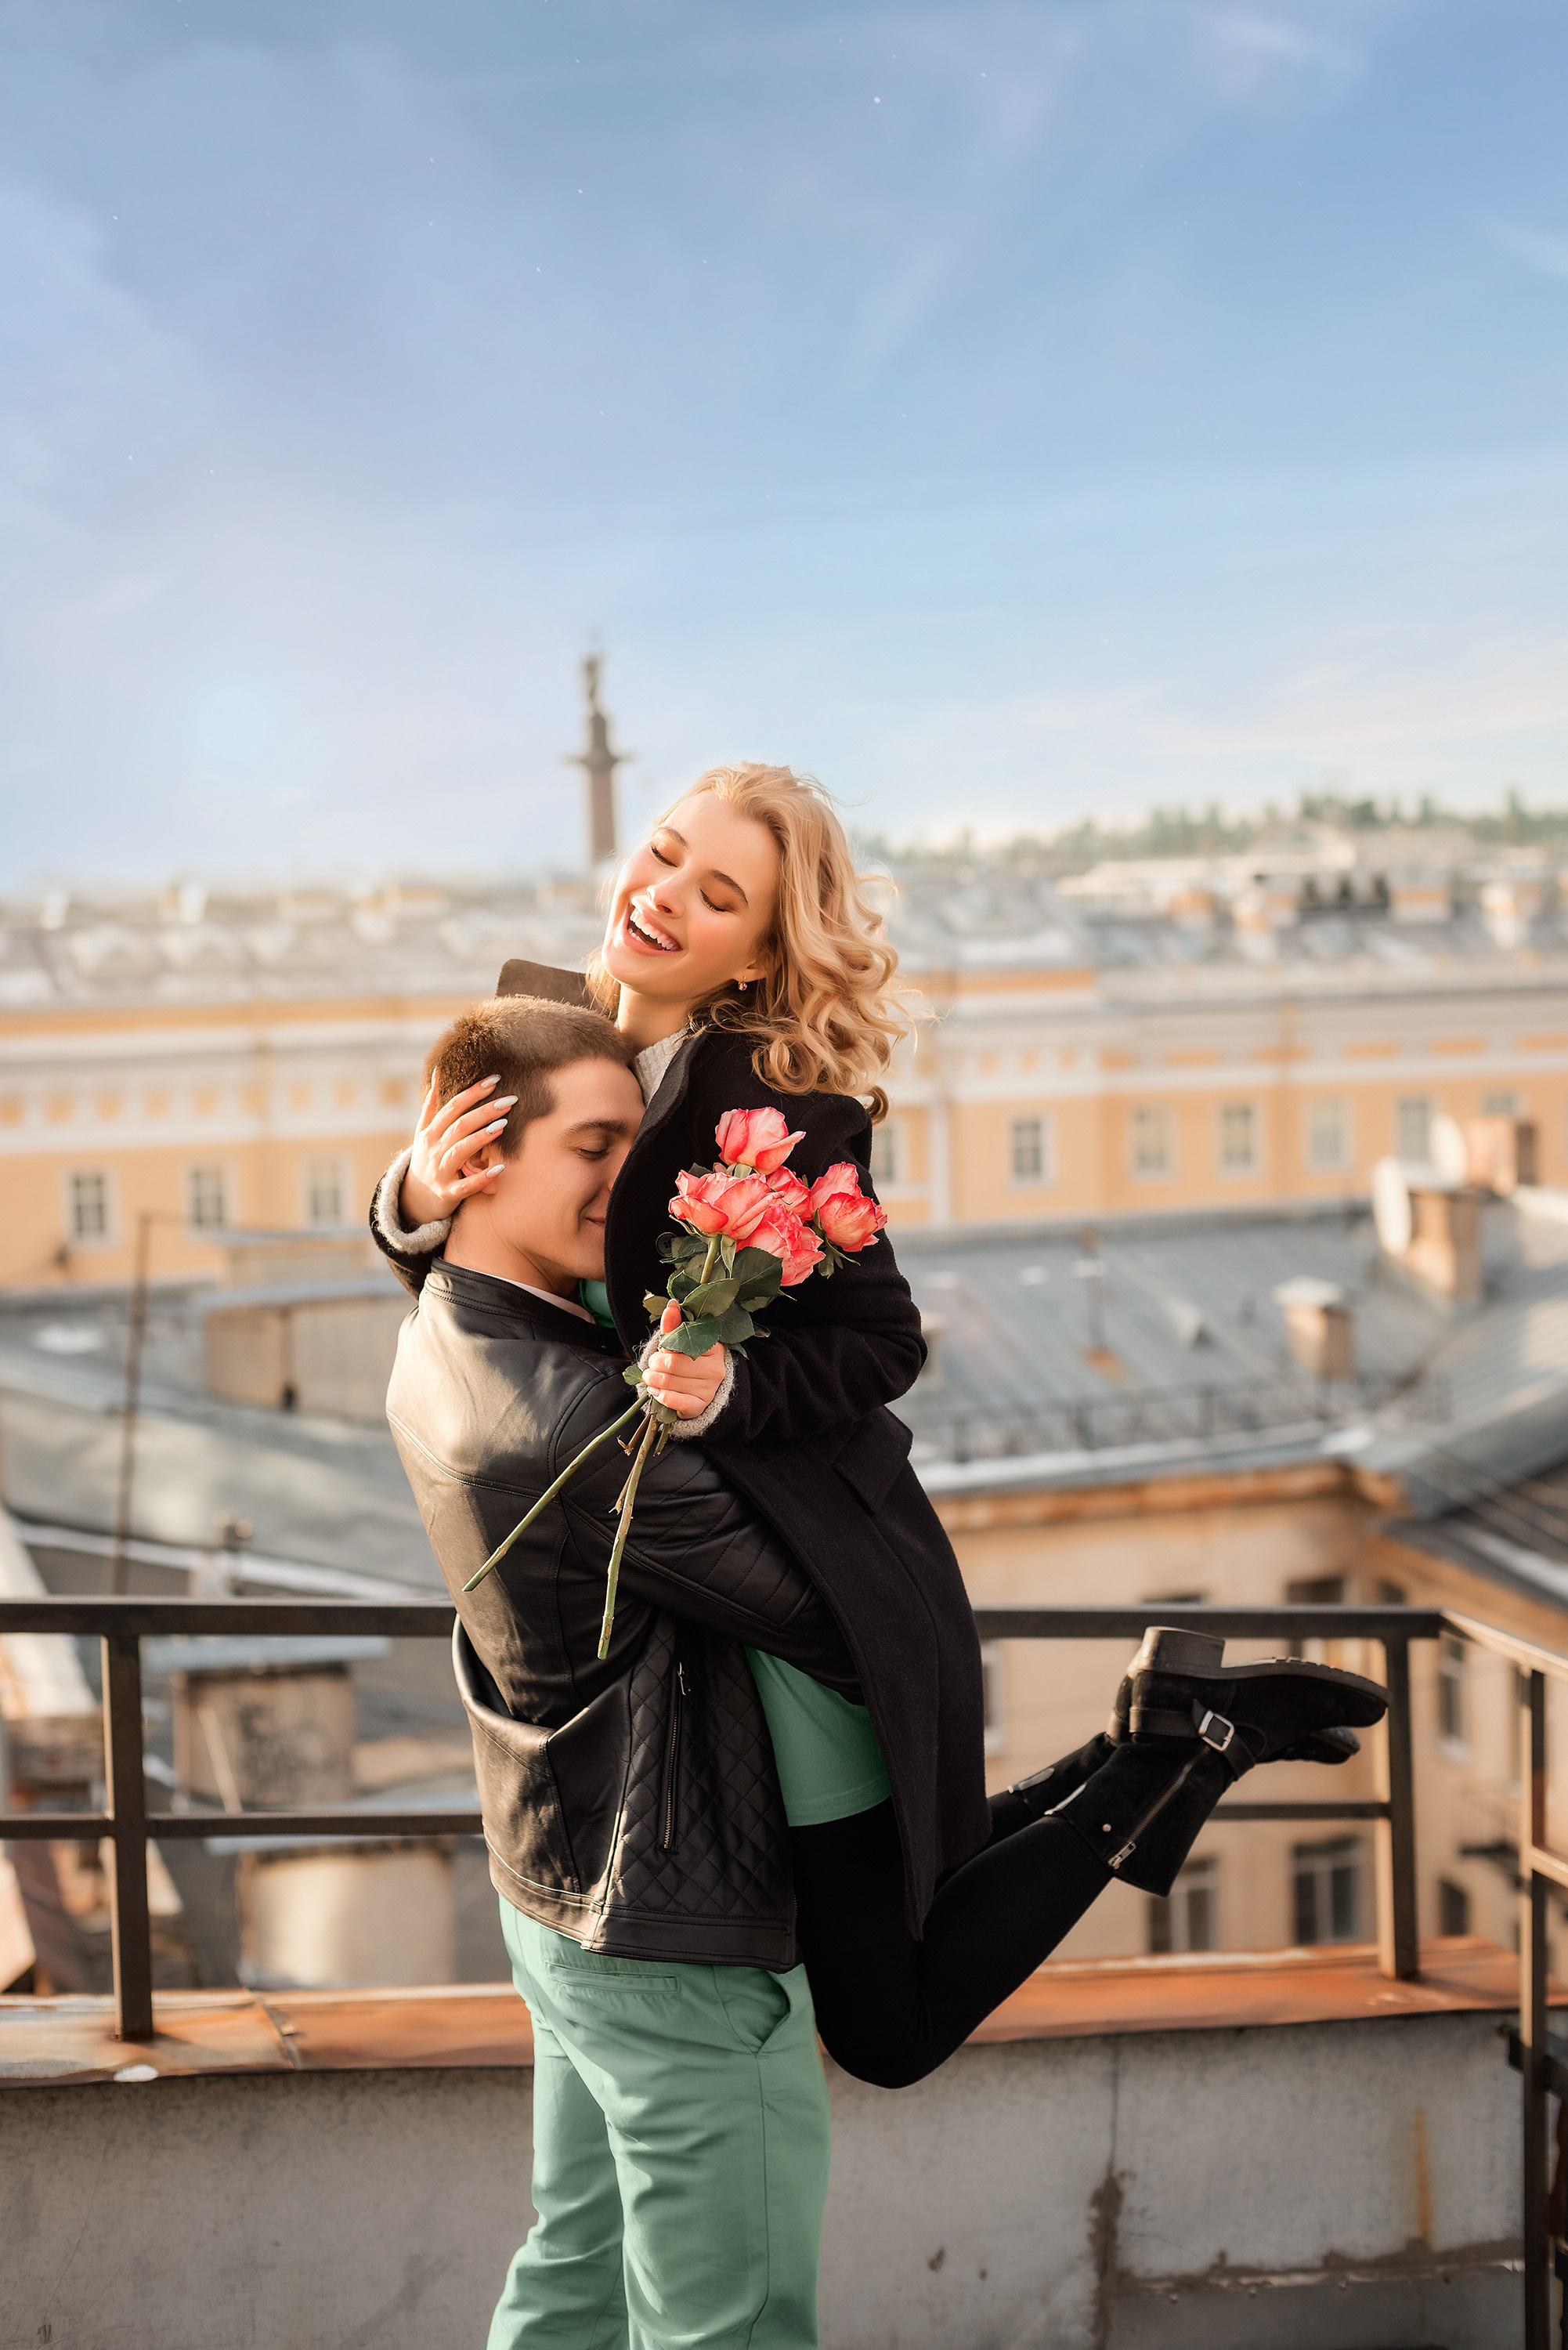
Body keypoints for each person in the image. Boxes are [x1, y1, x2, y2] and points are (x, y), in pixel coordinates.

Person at [376, 766, 1386, 2093]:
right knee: (903, 1901)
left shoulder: (777, 1107)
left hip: (794, 1576)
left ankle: (1170, 1747)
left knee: (885, 2021)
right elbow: (497, 1261)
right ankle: (1166, 1735)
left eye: (718, 895)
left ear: (758, 952)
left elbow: (881, 1343)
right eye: (665, 854)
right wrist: (412, 1194)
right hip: (681, 1597)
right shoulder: (551, 1025)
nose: (663, 897)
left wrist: (733, 1395)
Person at [386, 995, 862, 2350]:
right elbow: (819, 1610)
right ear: (479, 1157)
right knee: (731, 2324)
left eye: (637, 1147)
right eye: (596, 1148)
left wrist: (408, 1197)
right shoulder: (573, 1424)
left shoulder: (453, 1321)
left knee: (577, 2278)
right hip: (669, 1923)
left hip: (562, 1890)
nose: (629, 1183)